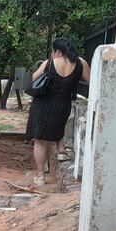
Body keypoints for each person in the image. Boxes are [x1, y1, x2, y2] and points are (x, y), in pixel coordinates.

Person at [26, 38, 90, 185]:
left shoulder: (49, 63)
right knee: (57, 127)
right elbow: (92, 80)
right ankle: (61, 151)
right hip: (63, 104)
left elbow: (34, 77)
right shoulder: (81, 63)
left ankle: (41, 176)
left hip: (43, 105)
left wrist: (51, 62)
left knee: (40, 140)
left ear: (58, 51)